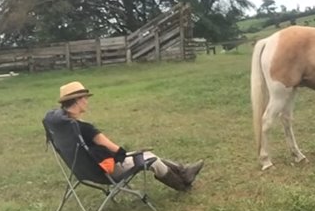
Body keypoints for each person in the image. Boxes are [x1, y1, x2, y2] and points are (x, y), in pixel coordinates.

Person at [44, 81, 203, 191]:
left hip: (84, 171)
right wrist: (126, 153)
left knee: (145, 155)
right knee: (151, 159)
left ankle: (183, 171)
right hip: (107, 171)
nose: (87, 101)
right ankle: (183, 185)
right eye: (85, 98)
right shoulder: (85, 128)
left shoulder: (62, 125)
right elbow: (116, 149)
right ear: (77, 101)